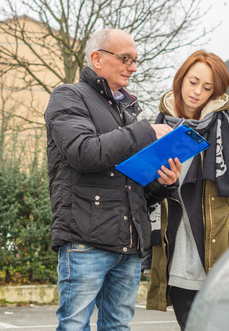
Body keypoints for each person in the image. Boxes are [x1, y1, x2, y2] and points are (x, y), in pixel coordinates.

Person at [44, 28, 182, 331]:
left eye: (135, 60)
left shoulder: (127, 114)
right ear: (97, 58)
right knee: (74, 326)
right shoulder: (68, 96)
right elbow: (84, 152)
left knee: (118, 327)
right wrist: (145, 131)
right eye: (125, 58)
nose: (132, 67)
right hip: (85, 241)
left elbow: (135, 190)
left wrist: (165, 181)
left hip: (129, 246)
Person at [143, 50, 229, 329]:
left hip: (220, 252)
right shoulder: (158, 129)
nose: (197, 92)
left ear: (214, 93)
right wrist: (149, 258)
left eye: (207, 88)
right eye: (193, 82)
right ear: (181, 79)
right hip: (176, 257)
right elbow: (145, 194)